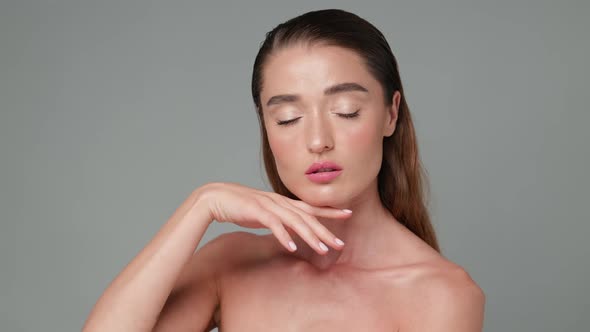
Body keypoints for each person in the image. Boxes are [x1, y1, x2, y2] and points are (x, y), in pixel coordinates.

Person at [83, 8, 485, 331]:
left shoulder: (441, 294)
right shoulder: (231, 262)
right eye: (288, 118)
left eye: (346, 111)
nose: (317, 140)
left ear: (390, 114)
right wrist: (200, 205)